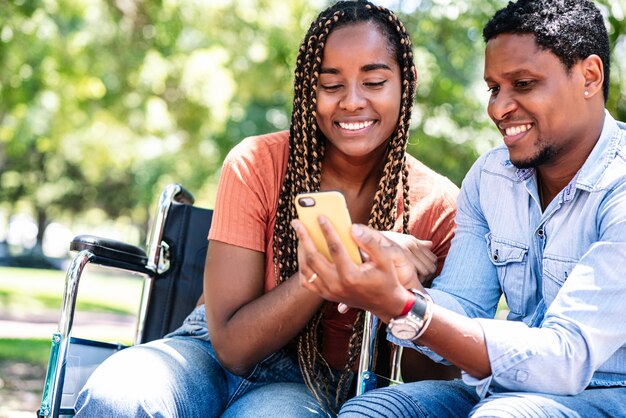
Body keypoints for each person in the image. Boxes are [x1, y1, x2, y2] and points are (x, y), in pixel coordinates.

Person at [73, 1, 460, 416]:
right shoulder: (256, 162)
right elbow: (233, 349)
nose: (351, 101)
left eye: (374, 82)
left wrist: (408, 294)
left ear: (407, 82)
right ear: (309, 89)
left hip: (315, 381)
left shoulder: (436, 207)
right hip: (205, 356)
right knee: (118, 395)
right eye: (331, 85)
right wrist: (332, 266)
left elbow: (430, 378)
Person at [294, 0, 626, 416]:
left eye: (522, 84)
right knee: (371, 411)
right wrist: (404, 289)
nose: (498, 108)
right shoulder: (491, 178)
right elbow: (463, 306)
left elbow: (566, 358)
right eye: (493, 88)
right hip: (504, 389)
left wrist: (403, 307)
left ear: (589, 77)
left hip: (608, 391)